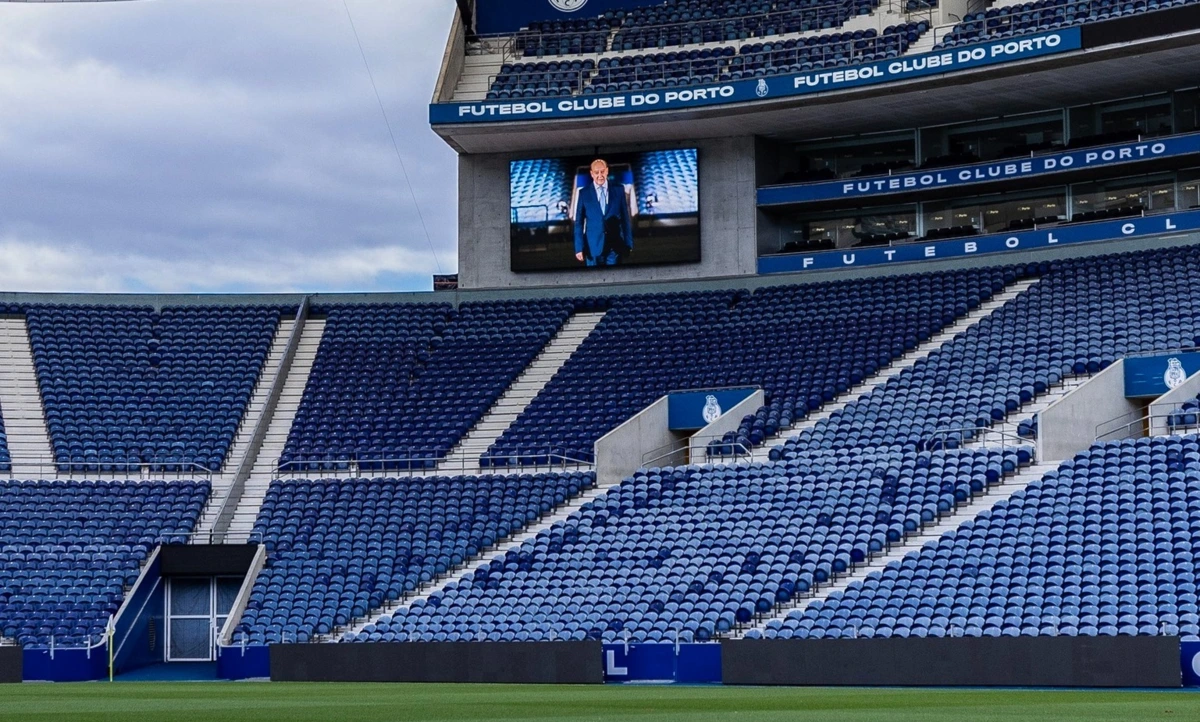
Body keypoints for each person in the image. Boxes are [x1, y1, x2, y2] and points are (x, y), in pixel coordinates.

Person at [573, 159, 633, 266]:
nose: (600, 175)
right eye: (596, 173)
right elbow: (579, 223)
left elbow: (625, 219)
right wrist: (578, 248)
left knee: (614, 280)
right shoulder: (584, 193)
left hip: (614, 247)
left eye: (602, 171)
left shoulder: (619, 190)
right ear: (591, 174)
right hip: (592, 248)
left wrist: (628, 243)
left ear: (607, 171)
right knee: (593, 280)